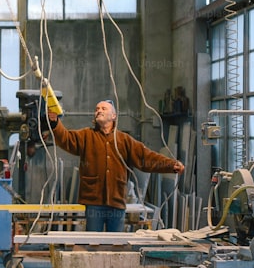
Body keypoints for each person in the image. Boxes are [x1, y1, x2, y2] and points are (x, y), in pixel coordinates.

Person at [47, 99, 184, 232]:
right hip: (94, 203)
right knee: (93, 244)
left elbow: (146, 157)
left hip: (117, 201)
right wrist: (55, 124)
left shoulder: (124, 140)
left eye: (103, 108)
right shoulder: (86, 136)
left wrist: (171, 165)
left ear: (113, 116)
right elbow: (66, 139)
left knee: (115, 245)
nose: (99, 111)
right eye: (96, 109)